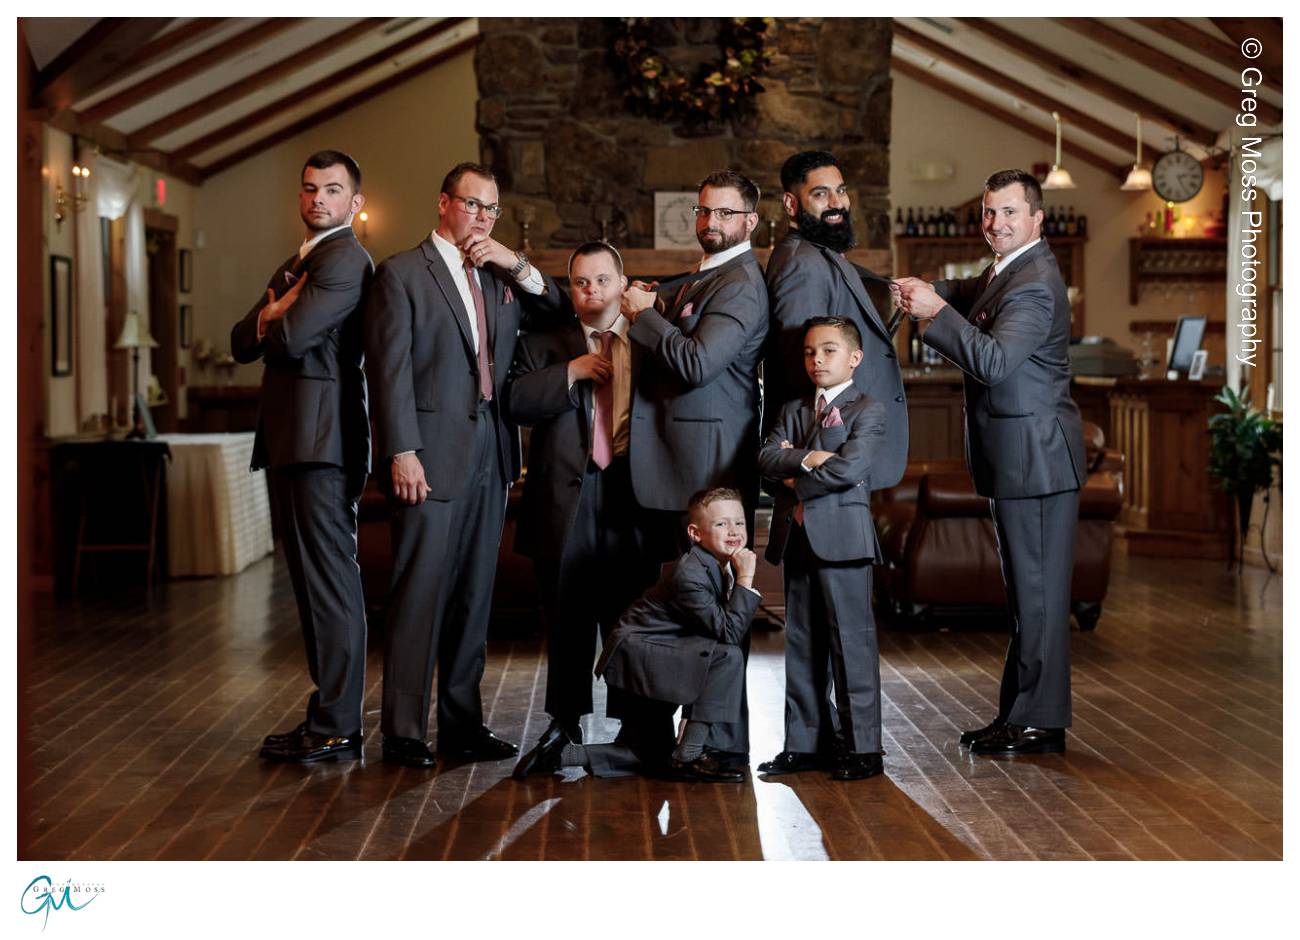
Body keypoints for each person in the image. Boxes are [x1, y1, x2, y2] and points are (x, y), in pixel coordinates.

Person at [363, 161, 558, 768]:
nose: (481, 217)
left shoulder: (499, 278)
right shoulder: (402, 273)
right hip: (427, 455)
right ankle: (402, 731)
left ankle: (462, 724)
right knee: (419, 593)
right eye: (472, 205)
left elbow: (553, 310)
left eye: (491, 209)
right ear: (444, 203)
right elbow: (387, 370)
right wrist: (402, 450)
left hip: (492, 456)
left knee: (476, 596)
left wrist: (512, 260)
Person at [895, 168, 1086, 756]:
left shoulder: (1035, 282)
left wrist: (934, 313)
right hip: (1022, 458)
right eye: (988, 212)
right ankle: (1020, 714)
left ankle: (1040, 723)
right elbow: (974, 290)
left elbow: (996, 360)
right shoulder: (1011, 269)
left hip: (1037, 460)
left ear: (1036, 219)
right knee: (1028, 597)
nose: (994, 224)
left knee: (1039, 598)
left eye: (1007, 213)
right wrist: (931, 291)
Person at [619, 169, 769, 767]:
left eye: (726, 214)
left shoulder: (741, 284)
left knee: (711, 615)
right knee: (680, 610)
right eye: (705, 212)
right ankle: (663, 741)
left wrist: (640, 315)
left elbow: (699, 363)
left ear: (751, 222)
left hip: (704, 471)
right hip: (672, 465)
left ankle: (719, 748)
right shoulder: (704, 277)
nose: (712, 223)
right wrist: (658, 306)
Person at [231, 149, 372, 764]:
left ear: (354, 203)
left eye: (333, 190)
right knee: (311, 586)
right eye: (310, 188)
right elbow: (242, 340)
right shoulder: (300, 263)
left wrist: (277, 314)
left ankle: (339, 721)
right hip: (296, 439)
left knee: (331, 584)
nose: (319, 199)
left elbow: (291, 339)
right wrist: (272, 310)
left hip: (324, 442)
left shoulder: (345, 260)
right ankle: (327, 713)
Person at [506, 242, 661, 779]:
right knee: (567, 616)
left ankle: (631, 725)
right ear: (570, 289)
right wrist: (570, 371)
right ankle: (564, 723)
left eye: (601, 280)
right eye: (579, 282)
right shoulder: (544, 342)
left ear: (623, 283)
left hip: (631, 493)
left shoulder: (649, 337)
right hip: (564, 498)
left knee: (628, 616)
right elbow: (516, 402)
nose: (591, 290)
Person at [756, 317, 889, 780]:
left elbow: (849, 469)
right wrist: (809, 458)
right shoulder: (793, 408)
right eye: (811, 352)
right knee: (802, 643)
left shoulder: (867, 409)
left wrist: (793, 478)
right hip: (796, 539)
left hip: (844, 541)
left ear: (854, 358)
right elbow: (765, 459)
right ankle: (805, 744)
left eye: (829, 351)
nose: (817, 360)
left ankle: (863, 749)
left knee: (851, 644)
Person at [587, 488, 759, 783]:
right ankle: (689, 755)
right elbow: (728, 633)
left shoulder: (713, 565)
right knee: (728, 655)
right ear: (695, 533)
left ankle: (562, 754)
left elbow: (711, 633)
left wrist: (692, 711)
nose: (733, 531)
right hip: (639, 657)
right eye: (721, 524)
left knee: (645, 755)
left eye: (739, 523)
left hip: (660, 650)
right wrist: (745, 579)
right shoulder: (690, 573)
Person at [764, 150, 907, 491]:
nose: (836, 202)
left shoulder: (820, 253)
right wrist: (825, 453)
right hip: (830, 450)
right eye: (820, 193)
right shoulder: (803, 264)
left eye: (840, 191)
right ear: (790, 203)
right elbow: (804, 368)